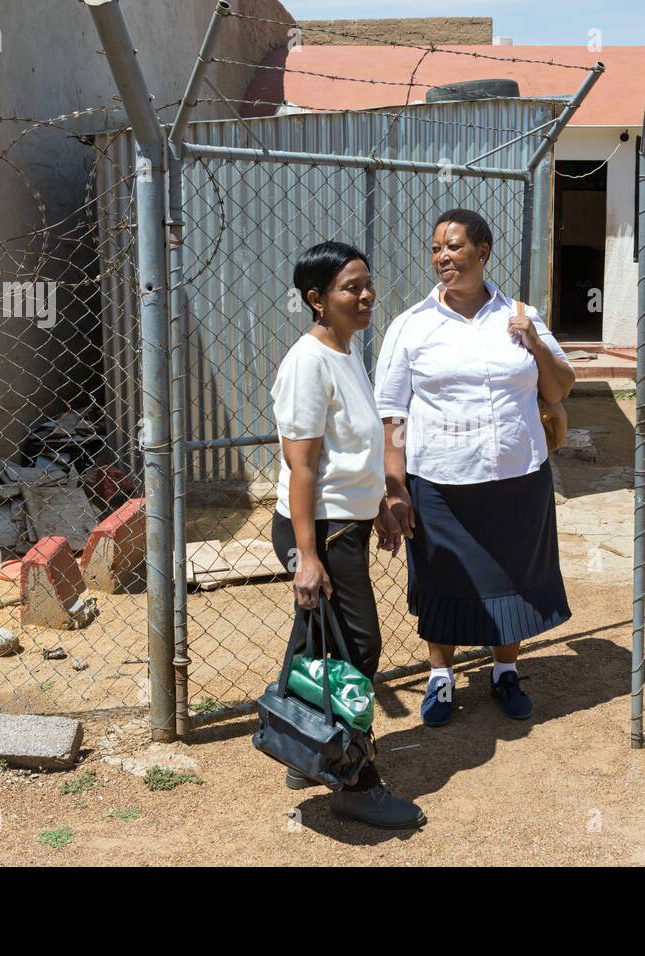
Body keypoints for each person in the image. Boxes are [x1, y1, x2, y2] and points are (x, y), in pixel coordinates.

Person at [374, 209, 576, 728]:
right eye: (436, 248)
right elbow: (392, 414)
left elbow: (558, 388)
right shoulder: (412, 326)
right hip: (440, 481)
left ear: (483, 251)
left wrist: (532, 339)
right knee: (445, 580)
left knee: (513, 575)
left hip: (517, 478)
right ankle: (440, 679)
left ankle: (504, 671)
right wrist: (394, 485)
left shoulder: (521, 316)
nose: (443, 256)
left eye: (455, 246)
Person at [269, 240, 426, 830]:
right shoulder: (307, 363)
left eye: (367, 284)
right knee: (356, 651)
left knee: (314, 645)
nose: (366, 296)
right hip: (321, 533)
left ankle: (300, 743)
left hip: (344, 524)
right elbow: (303, 466)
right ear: (315, 300)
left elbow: (350, 454)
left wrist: (379, 505)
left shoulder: (347, 350)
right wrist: (307, 556)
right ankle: (355, 782)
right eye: (350, 287)